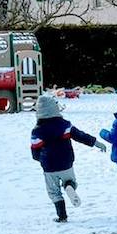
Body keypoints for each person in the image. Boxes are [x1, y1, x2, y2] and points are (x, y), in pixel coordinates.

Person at [30, 94, 106, 222]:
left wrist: (41, 160)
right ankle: (69, 186)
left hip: (49, 165)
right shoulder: (65, 125)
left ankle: (62, 216)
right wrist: (96, 143)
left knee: (54, 192)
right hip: (66, 162)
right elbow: (80, 136)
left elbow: (35, 151)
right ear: (55, 109)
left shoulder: (37, 131)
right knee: (70, 181)